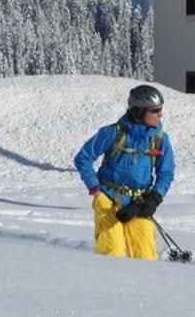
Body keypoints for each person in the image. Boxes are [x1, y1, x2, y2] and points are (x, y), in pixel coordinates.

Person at [74, 85, 176, 261]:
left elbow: (166, 173)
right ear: (139, 111)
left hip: (138, 203)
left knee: (146, 257)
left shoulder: (160, 139)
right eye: (155, 110)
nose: (160, 114)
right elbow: (83, 158)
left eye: (161, 109)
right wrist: (96, 190)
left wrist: (154, 198)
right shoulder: (112, 133)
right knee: (113, 254)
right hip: (108, 199)